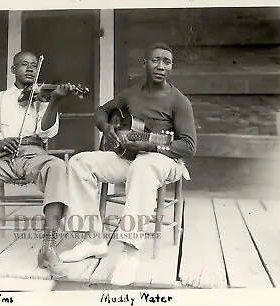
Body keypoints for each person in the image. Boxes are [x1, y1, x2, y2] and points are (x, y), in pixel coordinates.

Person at [60, 43, 197, 286]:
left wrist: (151, 147)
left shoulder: (179, 100)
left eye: (167, 62)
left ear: (171, 67)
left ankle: (130, 253)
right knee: (80, 163)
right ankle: (93, 240)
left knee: (143, 168)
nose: (161, 66)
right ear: (145, 63)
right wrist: (108, 129)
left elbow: (188, 146)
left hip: (165, 160)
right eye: (156, 60)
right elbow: (101, 111)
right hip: (129, 157)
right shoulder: (130, 94)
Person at [0, 51, 78, 285]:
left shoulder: (43, 99)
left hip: (33, 154)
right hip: (0, 157)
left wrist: (56, 101)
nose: (30, 69)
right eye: (24, 65)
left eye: (33, 66)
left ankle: (48, 249)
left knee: (57, 166)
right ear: (13, 70)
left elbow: (48, 132)